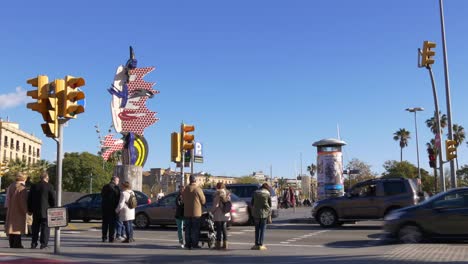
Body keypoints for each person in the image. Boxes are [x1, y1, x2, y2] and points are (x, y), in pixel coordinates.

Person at [28, 171, 55, 249]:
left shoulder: (34, 186)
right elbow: (52, 198)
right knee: (45, 228)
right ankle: (43, 244)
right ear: (46, 177)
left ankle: (33, 243)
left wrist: (30, 210)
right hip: (46, 210)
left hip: (35, 211)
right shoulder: (49, 186)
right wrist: (53, 207)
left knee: (35, 227)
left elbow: (29, 199)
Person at [5, 172, 28, 248]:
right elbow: (22, 201)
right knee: (17, 228)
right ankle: (17, 244)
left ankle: (11, 243)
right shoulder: (22, 187)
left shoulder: (11, 185)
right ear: (23, 178)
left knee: (11, 227)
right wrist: (25, 210)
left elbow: (7, 199)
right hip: (18, 210)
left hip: (11, 209)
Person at [182, 175, 206, 250]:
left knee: (187, 228)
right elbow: (203, 200)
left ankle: (187, 243)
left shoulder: (185, 189)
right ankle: (194, 244)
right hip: (196, 212)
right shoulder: (198, 189)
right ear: (195, 180)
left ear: (190, 180)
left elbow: (183, 200)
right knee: (195, 229)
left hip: (187, 212)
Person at [251, 183, 271, 250]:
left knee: (257, 229)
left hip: (256, 213)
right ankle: (261, 243)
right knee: (262, 229)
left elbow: (252, 203)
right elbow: (269, 204)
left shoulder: (255, 193)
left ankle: (256, 243)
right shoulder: (267, 194)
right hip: (264, 213)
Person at [211, 182, 230, 250]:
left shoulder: (217, 194)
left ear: (217, 187)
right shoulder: (227, 193)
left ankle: (218, 244)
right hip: (225, 212)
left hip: (219, 213)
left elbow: (215, 205)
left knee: (218, 229)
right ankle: (225, 244)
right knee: (224, 228)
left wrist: (212, 211)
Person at [101, 176, 120, 243]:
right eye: (118, 181)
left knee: (105, 223)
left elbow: (102, 195)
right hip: (112, 208)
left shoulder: (105, 186)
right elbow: (118, 198)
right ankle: (111, 238)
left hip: (104, 207)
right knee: (112, 224)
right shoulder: (116, 188)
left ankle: (104, 237)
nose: (118, 182)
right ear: (114, 180)